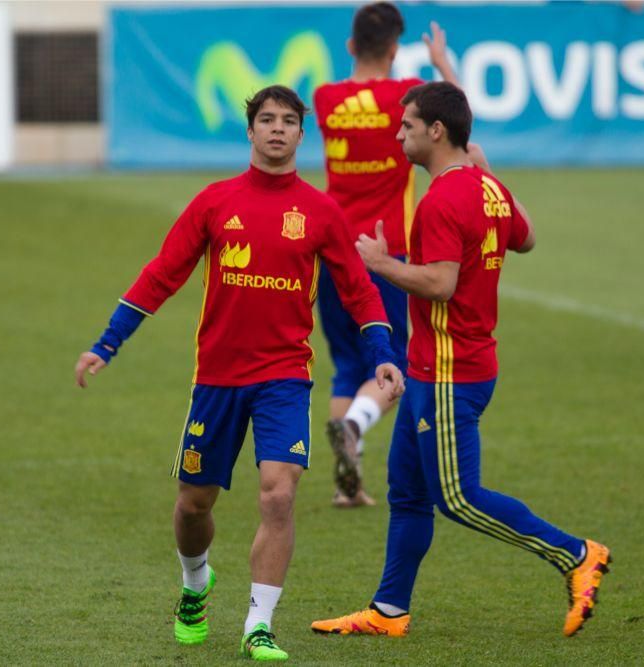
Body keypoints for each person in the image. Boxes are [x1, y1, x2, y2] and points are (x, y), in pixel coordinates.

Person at [74, 85, 404, 662]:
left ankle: (259, 624)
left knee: (279, 497)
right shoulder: (214, 202)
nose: (277, 129)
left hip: (283, 379)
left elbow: (358, 289)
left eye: (288, 122)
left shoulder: (322, 211)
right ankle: (196, 583)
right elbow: (161, 275)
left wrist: (381, 348)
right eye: (267, 120)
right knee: (193, 505)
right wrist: (108, 343)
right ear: (250, 132)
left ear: (303, 135)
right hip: (218, 382)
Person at [310, 82, 611, 639]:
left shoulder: (442, 200)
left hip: (452, 371)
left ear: (436, 131)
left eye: (406, 126)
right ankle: (388, 610)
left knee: (457, 497)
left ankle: (577, 554)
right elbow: (527, 237)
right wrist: (491, 173)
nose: (398, 134)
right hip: (435, 367)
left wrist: (379, 263)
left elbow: (440, 285)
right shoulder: (484, 187)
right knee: (407, 492)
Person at [313, 2, 459, 508]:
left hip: (332, 251)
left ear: (351, 47)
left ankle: (344, 482)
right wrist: (441, 65)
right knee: (390, 364)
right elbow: (455, 115)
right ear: (395, 50)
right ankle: (354, 426)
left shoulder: (326, 98)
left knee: (345, 365)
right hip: (385, 250)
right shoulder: (405, 96)